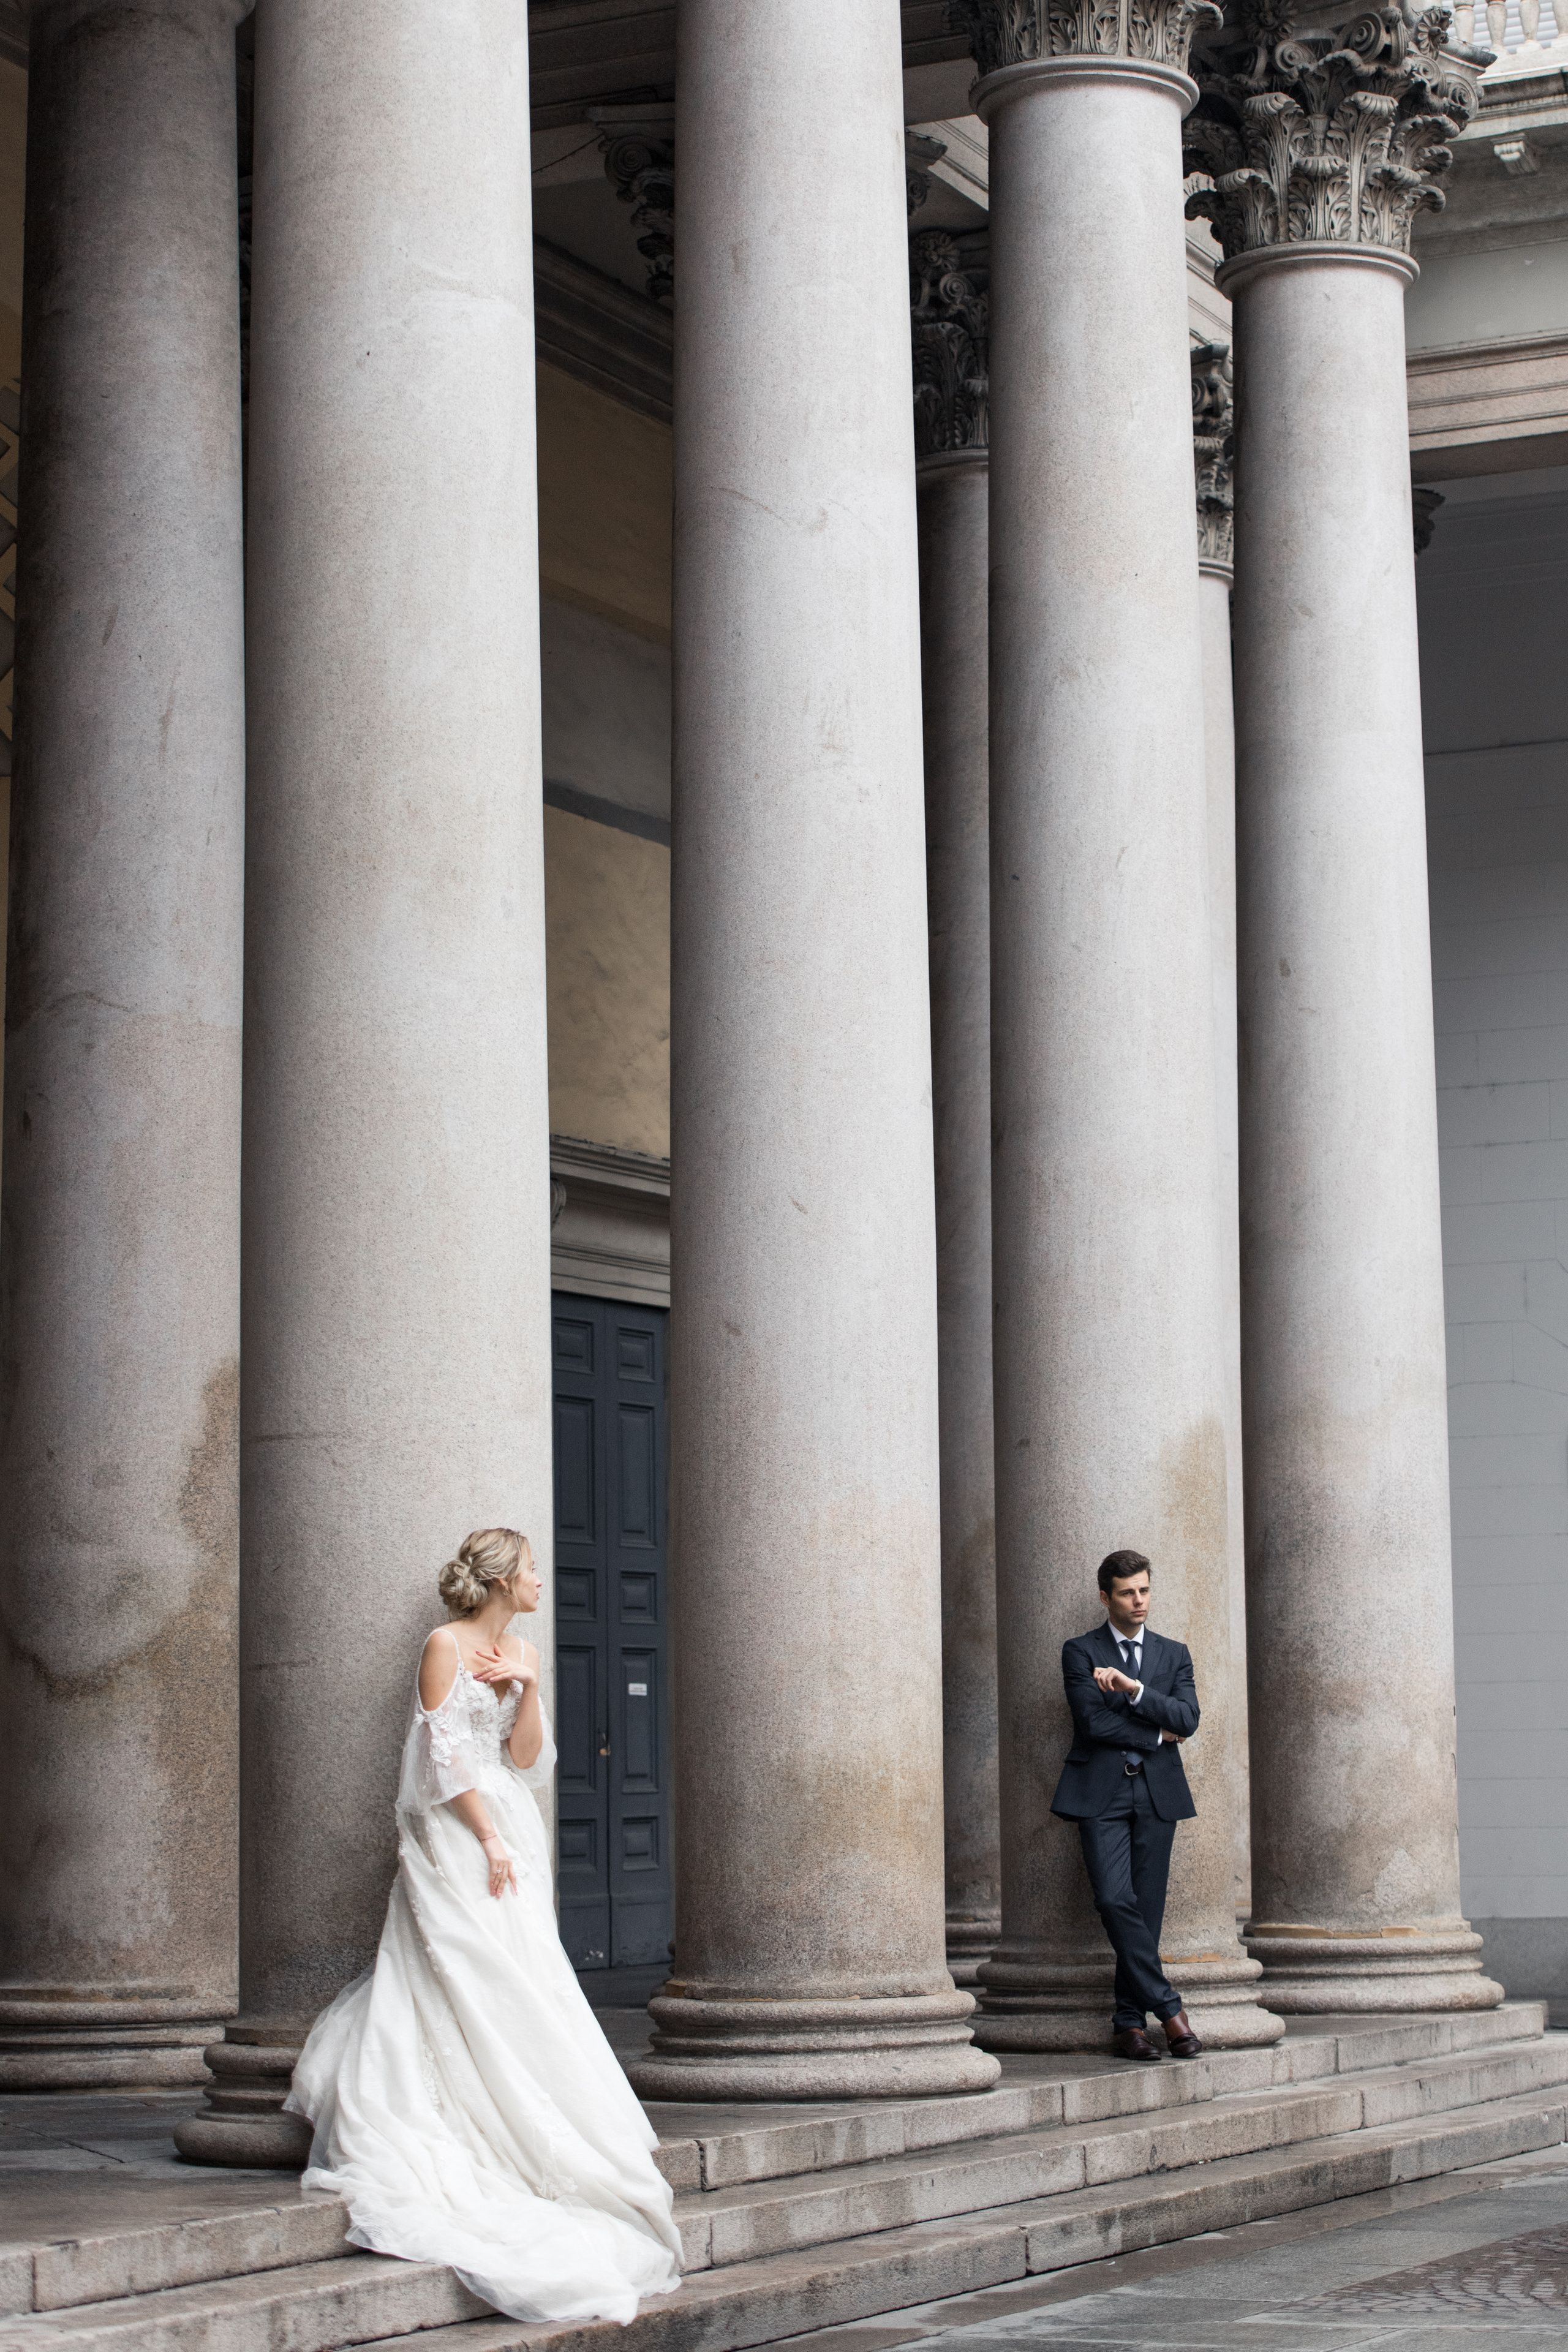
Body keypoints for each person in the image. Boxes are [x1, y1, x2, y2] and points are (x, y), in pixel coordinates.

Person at [285, 1526, 684, 2325]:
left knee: (518, 1965)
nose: (542, 1581)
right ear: (503, 1580)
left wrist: (529, 1686)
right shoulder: (444, 1644)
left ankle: (525, 2103)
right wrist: (489, 1837)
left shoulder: (520, 1651)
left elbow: (529, 1759)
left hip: (508, 1822)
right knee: (459, 1961)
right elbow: (437, 1757)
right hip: (456, 1825)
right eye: (533, 1570)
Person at [1049, 1547, 1203, 2062]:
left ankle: (1130, 2025)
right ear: (1105, 1597)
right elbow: (1092, 1724)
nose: (1139, 1601)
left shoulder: (1173, 1653)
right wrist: (1157, 1733)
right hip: (1102, 1795)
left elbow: (1188, 1718)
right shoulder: (1081, 1651)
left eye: (1145, 1590)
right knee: (1115, 1901)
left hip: (1157, 1795)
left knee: (1146, 1912)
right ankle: (1171, 2010)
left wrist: (1135, 1689)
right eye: (1127, 1593)